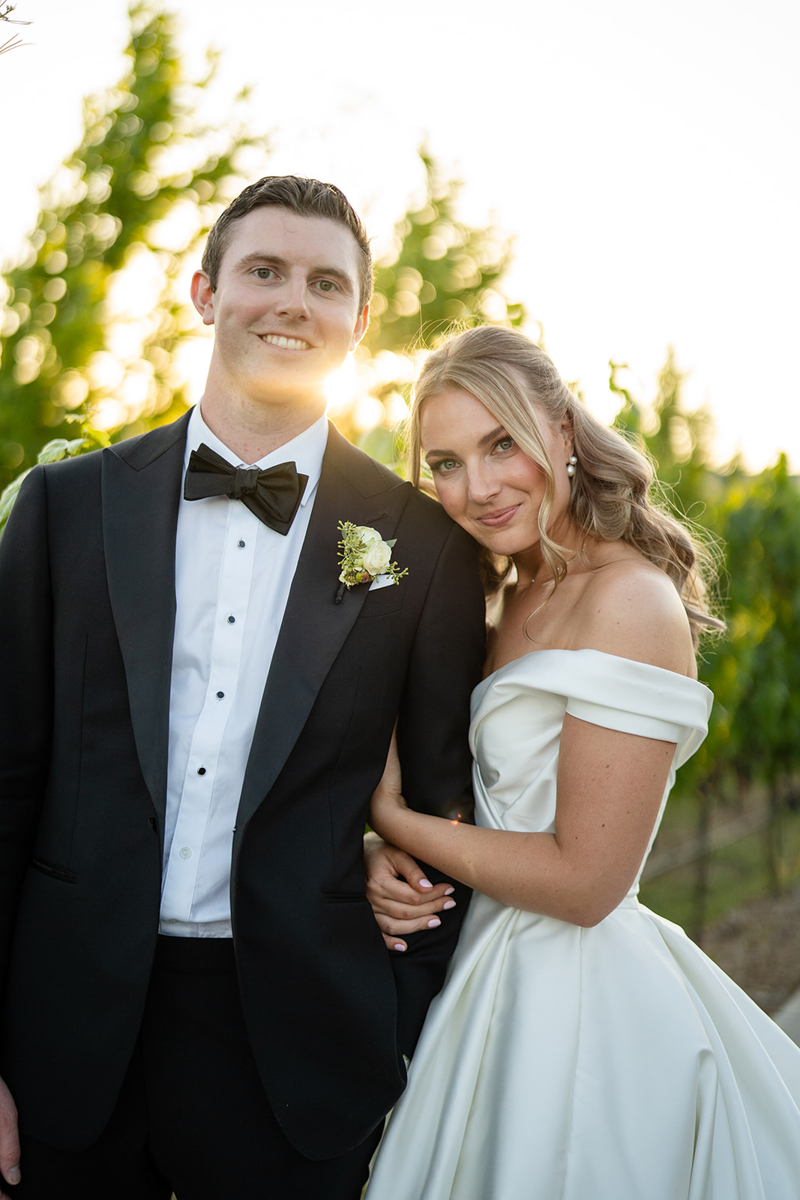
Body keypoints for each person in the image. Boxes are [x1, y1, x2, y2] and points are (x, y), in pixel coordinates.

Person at [0, 176, 486, 1199]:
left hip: (300, 1053)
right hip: (66, 1033)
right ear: (203, 292)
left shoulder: (422, 547)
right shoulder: (62, 509)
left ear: (359, 320)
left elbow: (442, 810)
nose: (290, 302)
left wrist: (392, 1035)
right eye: (262, 271)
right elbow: (5, 785)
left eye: (323, 282)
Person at [364, 325, 800, 1199]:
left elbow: (586, 879)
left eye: (501, 444)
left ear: (562, 430)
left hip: (574, 998)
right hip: (482, 964)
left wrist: (391, 820)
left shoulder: (629, 600)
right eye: (445, 462)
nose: (477, 486)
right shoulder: (506, 590)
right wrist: (383, 861)